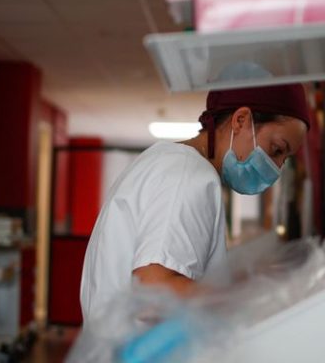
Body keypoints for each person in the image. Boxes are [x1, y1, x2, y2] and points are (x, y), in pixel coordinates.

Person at [79, 83, 311, 321]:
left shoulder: (166, 161)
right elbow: (154, 290)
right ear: (240, 120)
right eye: (276, 149)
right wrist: (248, 300)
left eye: (284, 158)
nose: (277, 167)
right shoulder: (188, 176)